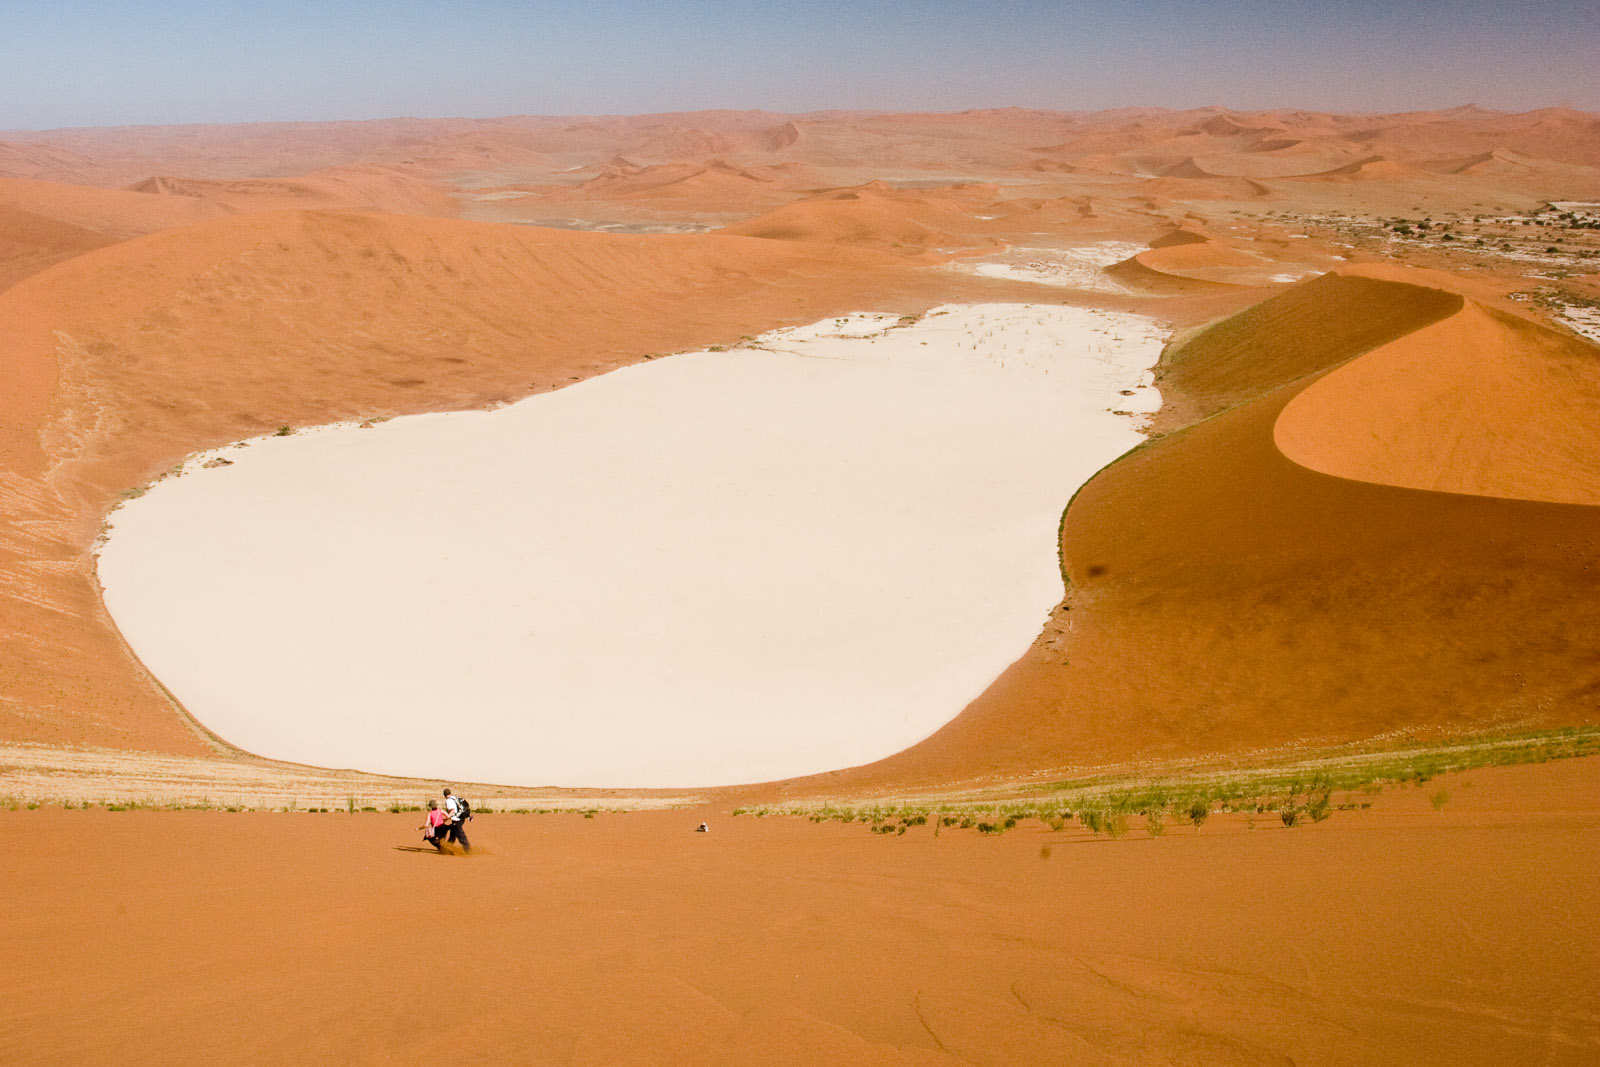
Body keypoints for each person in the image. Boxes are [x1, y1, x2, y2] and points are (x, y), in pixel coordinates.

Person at [441, 787, 471, 853]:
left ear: (444, 795)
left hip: (457, 820)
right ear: (450, 793)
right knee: (453, 833)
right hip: (461, 818)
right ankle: (447, 848)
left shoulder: (448, 801)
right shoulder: (454, 797)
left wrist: (447, 817)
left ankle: (468, 849)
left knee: (460, 835)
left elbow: (452, 811)